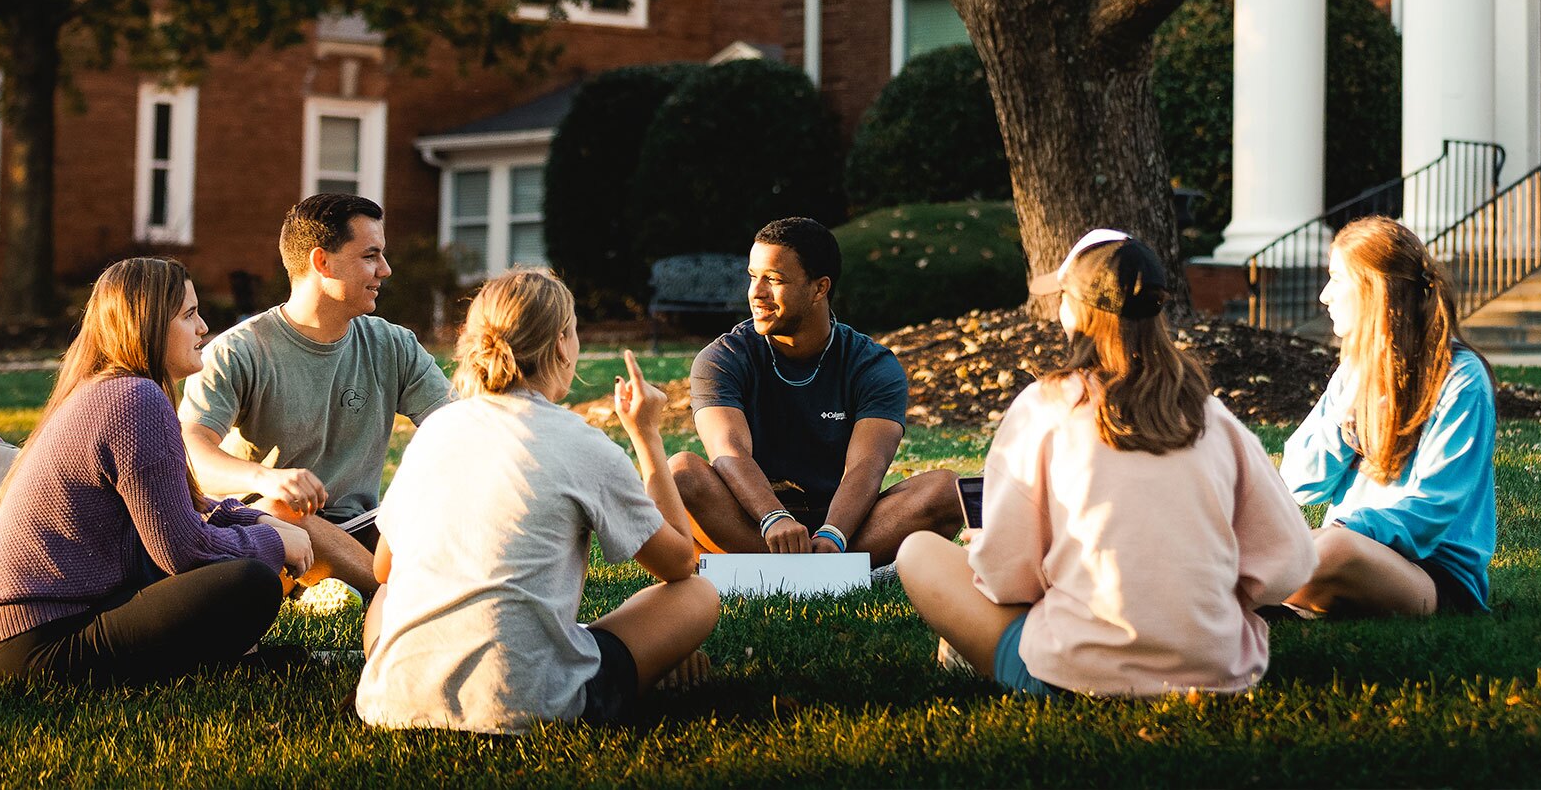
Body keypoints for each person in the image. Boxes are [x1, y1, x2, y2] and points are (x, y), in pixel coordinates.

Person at [896, 230, 1317, 696]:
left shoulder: (1048, 406)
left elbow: (1005, 579)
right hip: (1218, 672)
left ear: (1074, 311)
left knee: (919, 551)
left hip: (1077, 675)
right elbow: (1291, 561)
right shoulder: (1212, 416)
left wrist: (997, 552)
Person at [356, 269, 718, 732]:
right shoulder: (583, 444)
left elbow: (384, 570)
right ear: (563, 345)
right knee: (698, 595)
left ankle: (409, 677)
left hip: (390, 705)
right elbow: (678, 564)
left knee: (388, 593)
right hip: (532, 704)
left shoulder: (436, 430)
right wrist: (647, 435)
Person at [0, 258, 313, 684]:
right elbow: (183, 550)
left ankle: (233, 661)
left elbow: (180, 505)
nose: (204, 327)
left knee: (230, 574)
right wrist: (272, 542)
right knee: (250, 583)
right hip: (41, 645)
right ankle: (228, 662)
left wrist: (256, 516)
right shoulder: (134, 399)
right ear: (147, 324)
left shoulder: (108, 388)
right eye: (188, 315)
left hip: (30, 634)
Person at [180, 194, 452, 596]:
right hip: (271, 535)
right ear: (321, 262)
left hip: (365, 529)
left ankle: (345, 588)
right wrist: (268, 479)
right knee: (282, 512)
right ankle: (403, 601)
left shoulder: (393, 345)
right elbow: (191, 456)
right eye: (370, 256)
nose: (385, 270)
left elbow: (460, 428)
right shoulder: (239, 350)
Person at [670, 217, 961, 566]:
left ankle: (804, 566)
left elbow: (866, 466)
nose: (756, 293)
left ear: (819, 288)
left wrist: (833, 533)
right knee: (681, 472)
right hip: (749, 520)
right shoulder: (722, 358)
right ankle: (830, 572)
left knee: (947, 489)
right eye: (753, 276)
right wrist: (774, 519)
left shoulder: (873, 365)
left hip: (843, 525)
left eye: (774, 280)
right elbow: (729, 451)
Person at [1279, 215, 1497, 618]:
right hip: (1347, 553)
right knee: (1268, 548)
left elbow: (1432, 509)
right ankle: (1256, 600)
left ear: (1373, 290)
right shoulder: (1353, 372)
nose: (1325, 296)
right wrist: (1348, 420)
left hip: (1433, 577)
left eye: (1337, 279)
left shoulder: (1462, 379)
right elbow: (1298, 482)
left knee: (1329, 551)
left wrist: (1348, 530)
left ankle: (1243, 598)